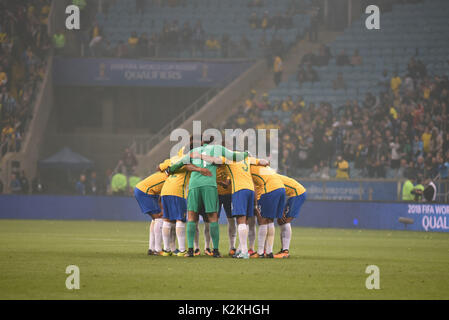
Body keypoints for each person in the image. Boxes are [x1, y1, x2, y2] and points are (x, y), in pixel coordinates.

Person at [168, 136, 247, 258]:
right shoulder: (217, 148)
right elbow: (235, 157)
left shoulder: (193, 152)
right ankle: (215, 251)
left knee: (192, 216)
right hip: (209, 185)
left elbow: (179, 164)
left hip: (194, 185)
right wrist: (246, 154)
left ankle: (190, 251)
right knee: (212, 217)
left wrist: (170, 170)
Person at [195, 152, 269, 259]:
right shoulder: (246, 158)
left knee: (240, 219)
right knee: (246, 220)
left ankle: (244, 252)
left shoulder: (229, 158)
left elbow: (215, 160)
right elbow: (264, 162)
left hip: (239, 190)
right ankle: (240, 249)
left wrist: (200, 156)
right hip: (250, 190)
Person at [160, 148, 212, 257]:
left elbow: (160, 168)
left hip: (165, 190)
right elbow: (188, 166)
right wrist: (200, 169)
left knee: (167, 219)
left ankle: (166, 249)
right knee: (180, 219)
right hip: (177, 190)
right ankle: (182, 250)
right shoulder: (187, 159)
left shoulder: (173, 159)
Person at [134, 158, 171, 255]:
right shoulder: (170, 180)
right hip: (145, 191)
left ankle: (151, 248)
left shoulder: (164, 172)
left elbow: (158, 167)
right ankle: (158, 250)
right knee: (159, 218)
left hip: (143, 189)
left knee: (156, 219)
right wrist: (163, 210)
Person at [251, 165, 286, 258]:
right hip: (281, 188)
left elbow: (254, 188)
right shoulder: (263, 167)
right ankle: (269, 252)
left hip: (270, 189)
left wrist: (255, 205)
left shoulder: (249, 169)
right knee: (270, 220)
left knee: (262, 220)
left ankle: (260, 252)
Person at [274, 174, 307, 259]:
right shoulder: (271, 177)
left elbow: (279, 194)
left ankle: (285, 251)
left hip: (297, 193)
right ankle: (283, 250)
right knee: (281, 221)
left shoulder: (271, 180)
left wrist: (281, 211)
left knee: (285, 220)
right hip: (295, 193)